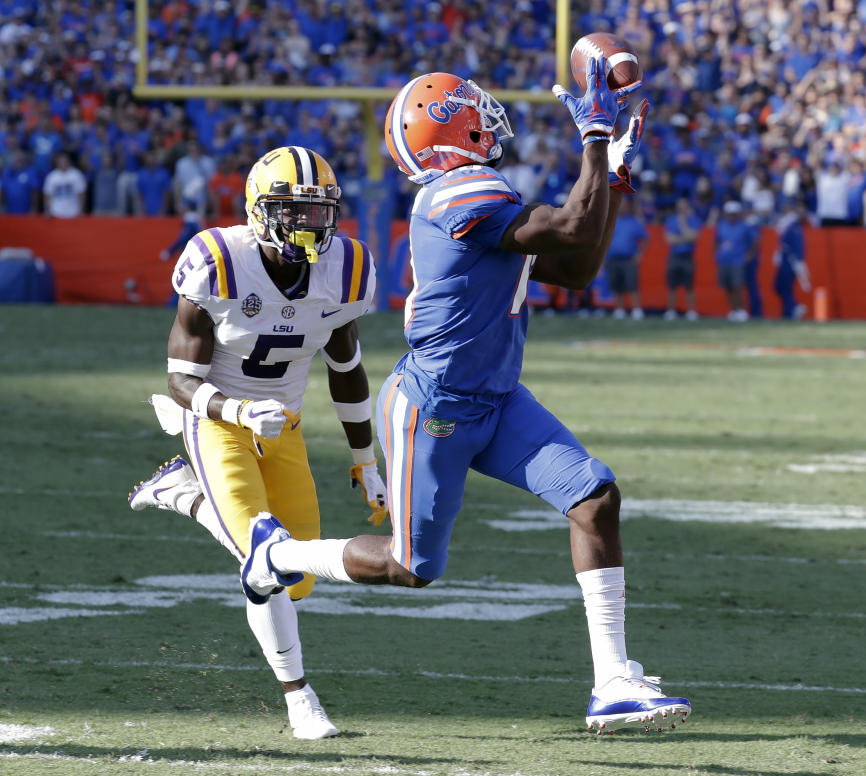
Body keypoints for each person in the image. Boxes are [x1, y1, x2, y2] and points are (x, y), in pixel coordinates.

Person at [238, 62, 692, 735]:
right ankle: (279, 557)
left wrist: (612, 178)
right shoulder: (456, 190)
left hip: (499, 398)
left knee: (595, 497)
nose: (488, 113)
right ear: (447, 124)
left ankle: (613, 682)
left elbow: (579, 267)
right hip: (435, 407)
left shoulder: (476, 190)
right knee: (412, 568)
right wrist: (594, 140)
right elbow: (570, 230)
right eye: (471, 106)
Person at [127, 146, 387, 740]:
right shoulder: (218, 261)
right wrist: (236, 408)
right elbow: (179, 380)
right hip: (217, 419)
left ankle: (182, 495)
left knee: (296, 579)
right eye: (292, 210)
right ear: (259, 211)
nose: (308, 224)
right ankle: (300, 698)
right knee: (265, 554)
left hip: (284, 427)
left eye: (318, 211)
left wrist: (363, 457)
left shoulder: (344, 270)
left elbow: (344, 366)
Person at [605, 196, 648, 320]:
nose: (622, 207)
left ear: (629, 207)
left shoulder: (634, 222)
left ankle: (636, 309)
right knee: (616, 285)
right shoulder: (611, 220)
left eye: (624, 204)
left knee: (632, 285)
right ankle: (619, 309)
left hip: (628, 259)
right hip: (612, 258)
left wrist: (639, 254)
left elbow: (645, 239)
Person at [663, 198, 701, 320]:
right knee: (672, 285)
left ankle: (691, 311)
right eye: (680, 207)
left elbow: (693, 238)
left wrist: (683, 225)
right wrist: (685, 237)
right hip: (675, 256)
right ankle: (671, 311)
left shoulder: (694, 220)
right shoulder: (671, 220)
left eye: (684, 206)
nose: (682, 209)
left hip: (687, 256)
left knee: (689, 285)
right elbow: (669, 240)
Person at [773, 199, 811, 319]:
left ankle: (791, 310)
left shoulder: (794, 225)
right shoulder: (789, 223)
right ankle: (792, 308)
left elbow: (798, 245)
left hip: (790, 260)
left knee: (784, 286)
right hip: (785, 257)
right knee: (779, 286)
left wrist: (799, 261)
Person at [713, 201, 750, 321]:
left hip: (737, 260)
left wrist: (748, 256)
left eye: (734, 214)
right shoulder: (722, 225)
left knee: (737, 286)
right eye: (729, 213)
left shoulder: (743, 226)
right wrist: (716, 254)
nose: (731, 216)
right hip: (724, 260)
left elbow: (755, 242)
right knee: (727, 286)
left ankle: (740, 310)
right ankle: (733, 310)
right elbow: (716, 240)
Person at [42, 152, 86, 218]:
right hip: (56, 212)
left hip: (73, 213)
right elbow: (47, 195)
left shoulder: (76, 174)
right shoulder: (52, 176)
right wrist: (47, 210)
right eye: (60, 161)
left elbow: (81, 194)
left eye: (65, 161)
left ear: (69, 162)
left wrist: (81, 210)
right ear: (57, 163)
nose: (63, 163)